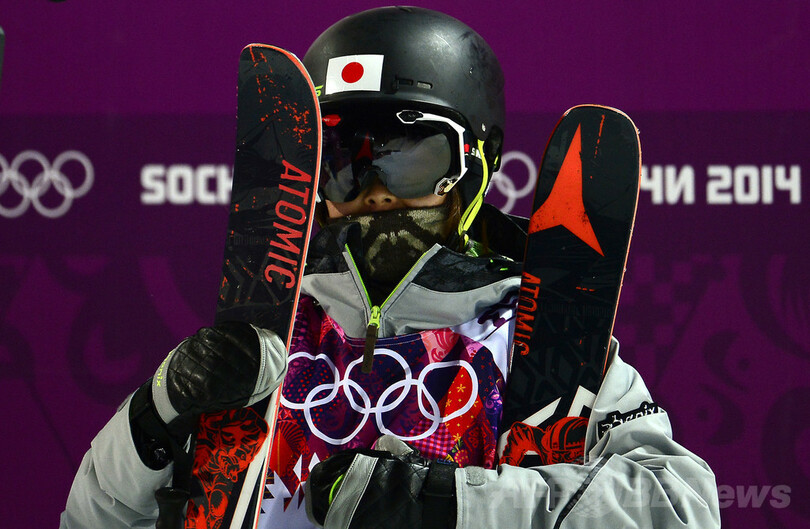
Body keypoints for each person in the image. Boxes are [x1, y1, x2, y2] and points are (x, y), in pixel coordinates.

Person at [60, 6, 721, 529]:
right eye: (345, 162)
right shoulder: (264, 343)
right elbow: (91, 519)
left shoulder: (540, 338)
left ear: (476, 165)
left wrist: (452, 506)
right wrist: (156, 413)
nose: (374, 191)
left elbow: (681, 507)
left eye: (410, 157)